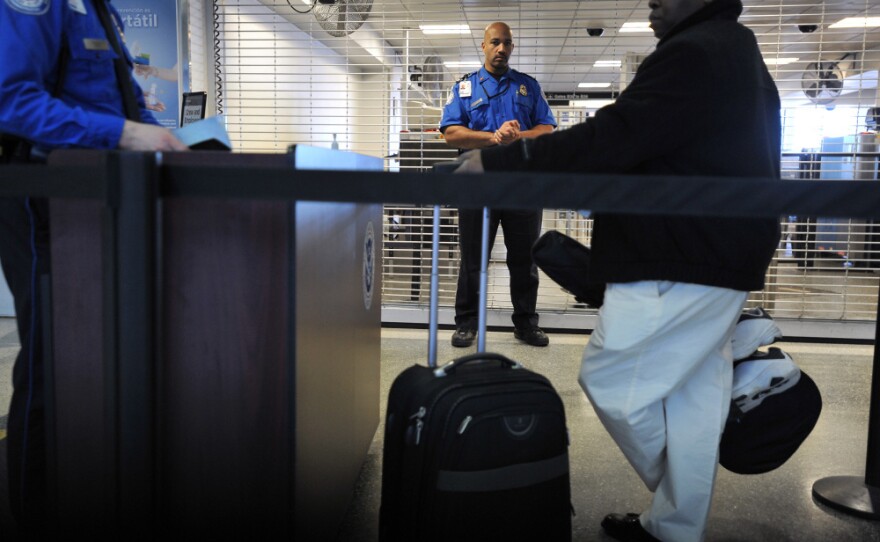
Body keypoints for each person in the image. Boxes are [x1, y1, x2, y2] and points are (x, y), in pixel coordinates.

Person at [453, 0, 781, 540]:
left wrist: (500, 162)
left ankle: (674, 496)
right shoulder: (734, 48)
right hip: (723, 251)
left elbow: (616, 135)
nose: (652, 2)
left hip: (681, 255)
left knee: (609, 381)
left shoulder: (697, 53)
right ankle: (675, 526)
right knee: (693, 400)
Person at [0, 0, 187, 534]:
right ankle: (37, 511)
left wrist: (172, 143)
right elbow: (10, 99)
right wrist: (126, 136)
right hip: (43, 192)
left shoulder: (99, 8)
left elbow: (123, 103)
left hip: (97, 196)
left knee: (94, 354)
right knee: (52, 356)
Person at [440, 21, 557, 348]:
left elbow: (547, 129)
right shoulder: (465, 88)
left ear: (512, 47)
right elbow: (451, 133)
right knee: (472, 260)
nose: (501, 48)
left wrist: (517, 135)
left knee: (524, 260)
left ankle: (525, 324)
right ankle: (467, 324)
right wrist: (493, 137)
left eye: (507, 43)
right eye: (495, 42)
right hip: (477, 186)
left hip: (523, 187)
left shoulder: (528, 87)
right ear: (484, 45)